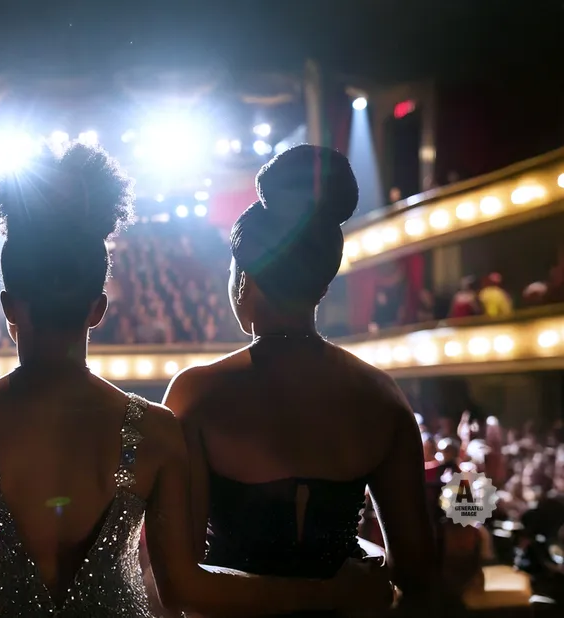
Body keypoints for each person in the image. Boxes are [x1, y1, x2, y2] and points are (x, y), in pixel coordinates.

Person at [0, 143, 392, 617]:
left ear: (10, 307)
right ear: (99, 309)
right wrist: (327, 594)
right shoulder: (159, 430)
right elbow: (183, 588)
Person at [164, 145, 437, 613]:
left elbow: (181, 586)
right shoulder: (381, 396)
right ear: (323, 283)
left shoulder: (197, 394)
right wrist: (332, 591)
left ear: (243, 278)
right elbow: (416, 570)